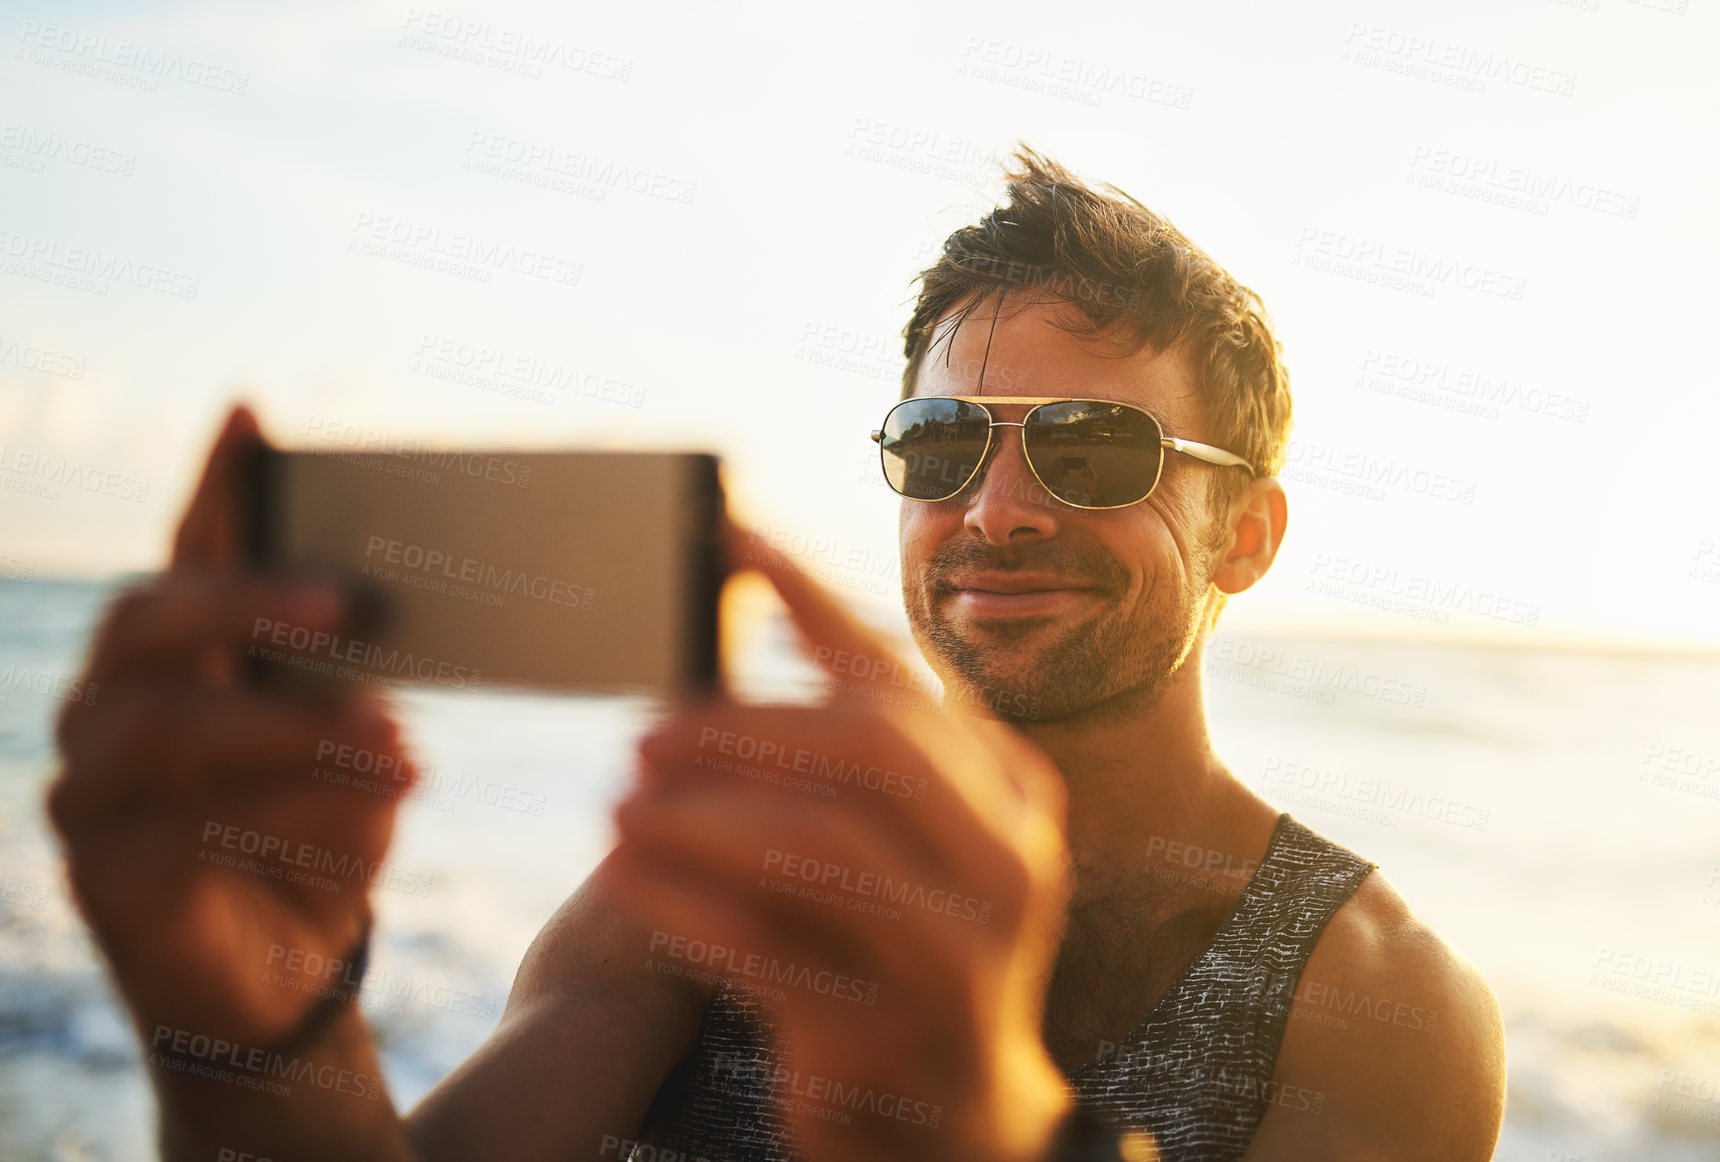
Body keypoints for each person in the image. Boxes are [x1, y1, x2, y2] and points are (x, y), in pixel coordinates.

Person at [48, 146, 1505, 1162]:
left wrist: (984, 1124)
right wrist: (257, 1028)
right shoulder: (731, 870)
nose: (994, 511)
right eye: (941, 447)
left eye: (1092, 445)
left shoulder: (1377, 1007)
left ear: (1248, 532)